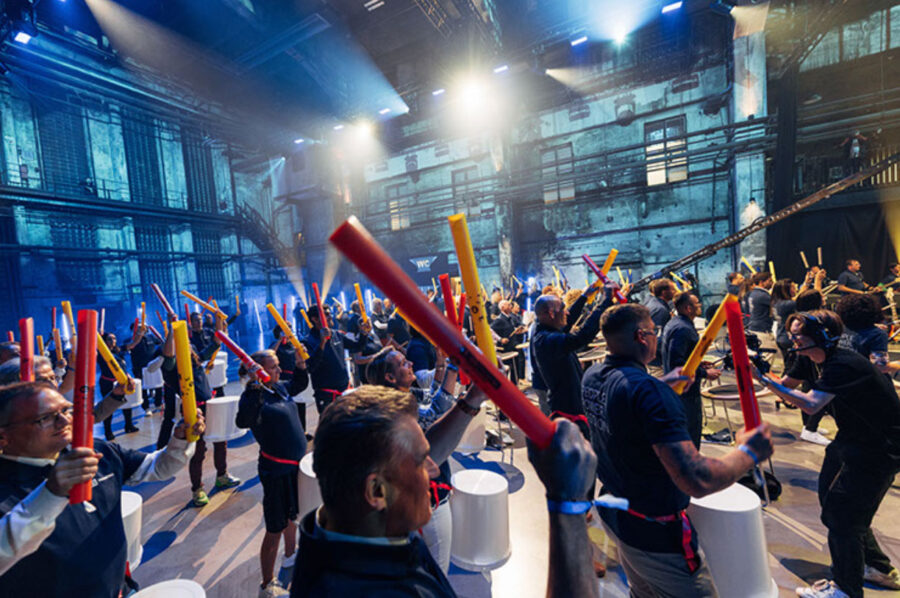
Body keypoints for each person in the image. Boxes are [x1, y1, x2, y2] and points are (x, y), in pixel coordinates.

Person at [291, 385, 600, 598]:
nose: (434, 470)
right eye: (420, 461)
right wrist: (567, 506)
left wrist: (472, 398)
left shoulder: (349, 527)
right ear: (376, 491)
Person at [582, 303, 774, 598]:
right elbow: (696, 479)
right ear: (641, 336)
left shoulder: (593, 376)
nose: (657, 337)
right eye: (654, 331)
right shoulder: (650, 394)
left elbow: (624, 400)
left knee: (643, 591)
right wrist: (749, 451)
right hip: (655, 534)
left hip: (616, 514)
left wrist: (661, 383)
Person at [0, 381, 203, 597]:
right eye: (44, 418)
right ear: (3, 437)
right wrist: (50, 494)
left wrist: (180, 440)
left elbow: (156, 469)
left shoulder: (94, 450)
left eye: (66, 410)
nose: (64, 421)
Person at [757, 310, 900, 598]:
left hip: (880, 447)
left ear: (821, 336)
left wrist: (764, 381)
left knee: (843, 516)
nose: (793, 340)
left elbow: (811, 404)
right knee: (834, 503)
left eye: (798, 335)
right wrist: (759, 374)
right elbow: (786, 385)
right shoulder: (810, 358)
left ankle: (846, 589)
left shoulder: (843, 363)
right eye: (792, 334)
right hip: (850, 438)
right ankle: (876, 567)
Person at [366, 347, 478, 573]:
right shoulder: (397, 410)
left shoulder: (404, 397)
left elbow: (434, 397)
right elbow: (436, 412)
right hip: (428, 499)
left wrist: (444, 365)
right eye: (403, 363)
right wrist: (456, 374)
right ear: (390, 377)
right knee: (437, 567)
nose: (410, 363)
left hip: (415, 497)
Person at [236, 349, 309, 598]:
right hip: (276, 471)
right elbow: (243, 421)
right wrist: (255, 386)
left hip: (294, 466)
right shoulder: (254, 397)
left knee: (292, 515)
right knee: (275, 526)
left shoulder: (279, 388)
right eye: (273, 366)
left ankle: (290, 555)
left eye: (278, 365)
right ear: (258, 371)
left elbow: (299, 383)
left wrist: (300, 364)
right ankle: (267, 584)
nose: (279, 370)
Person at [158, 313, 239, 506]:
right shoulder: (171, 363)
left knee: (220, 441)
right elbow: (168, 356)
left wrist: (219, 321)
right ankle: (197, 489)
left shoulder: (193, 355)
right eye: (181, 339)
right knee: (198, 451)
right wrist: (172, 330)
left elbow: (214, 344)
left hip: (209, 404)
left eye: (186, 339)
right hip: (192, 409)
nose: (186, 342)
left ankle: (222, 475)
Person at [531, 281, 608, 435]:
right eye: (563, 309)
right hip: (568, 411)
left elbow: (569, 318)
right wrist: (605, 303)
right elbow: (582, 337)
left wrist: (584, 296)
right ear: (551, 314)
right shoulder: (545, 340)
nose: (566, 313)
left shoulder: (548, 329)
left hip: (571, 403)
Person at [660, 292, 722, 447]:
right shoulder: (683, 329)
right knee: (690, 434)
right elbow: (677, 363)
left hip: (681, 389)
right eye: (697, 303)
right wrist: (704, 373)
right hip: (685, 390)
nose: (700, 305)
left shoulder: (676, 323)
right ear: (688, 308)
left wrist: (699, 364)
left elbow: (684, 355)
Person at [301, 305, 370, 414]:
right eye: (326, 314)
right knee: (332, 423)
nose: (330, 316)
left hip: (344, 390)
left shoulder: (336, 334)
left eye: (330, 313)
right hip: (326, 395)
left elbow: (357, 346)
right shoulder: (307, 341)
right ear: (315, 319)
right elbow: (311, 367)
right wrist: (322, 343)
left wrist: (363, 333)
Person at [97, 331, 140, 439]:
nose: (113, 341)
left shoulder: (118, 350)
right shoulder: (101, 353)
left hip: (121, 382)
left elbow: (133, 344)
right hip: (107, 383)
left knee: (127, 404)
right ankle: (108, 431)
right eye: (109, 339)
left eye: (114, 338)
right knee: (108, 407)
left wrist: (140, 333)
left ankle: (129, 425)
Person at [745, 272, 775, 345]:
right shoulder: (763, 295)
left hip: (755, 327)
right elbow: (778, 305)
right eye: (770, 281)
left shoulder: (753, 293)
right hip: (762, 330)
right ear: (761, 282)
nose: (772, 283)